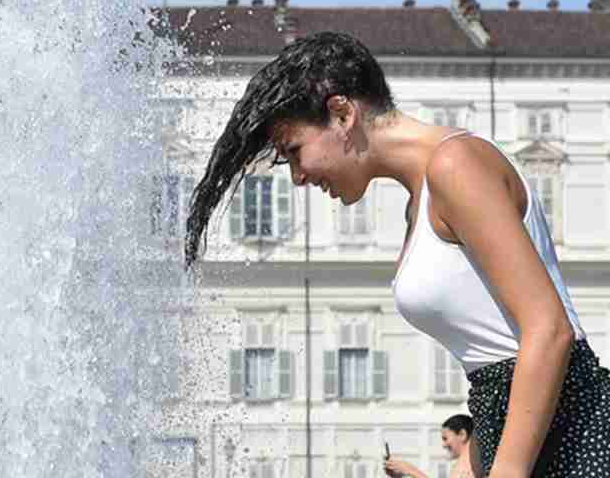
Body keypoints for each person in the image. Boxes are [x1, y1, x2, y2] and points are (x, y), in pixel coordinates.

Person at [185, 31, 610, 477]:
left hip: (574, 439)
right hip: (525, 436)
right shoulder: (420, 200)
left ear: (342, 113)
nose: (297, 176)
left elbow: (549, 328)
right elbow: (494, 366)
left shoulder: (456, 165)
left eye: (295, 151)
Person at [385, 414, 476, 477]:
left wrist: (410, 470)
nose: (443, 445)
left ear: (462, 435)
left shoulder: (471, 465)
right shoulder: (465, 464)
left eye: (445, 438)